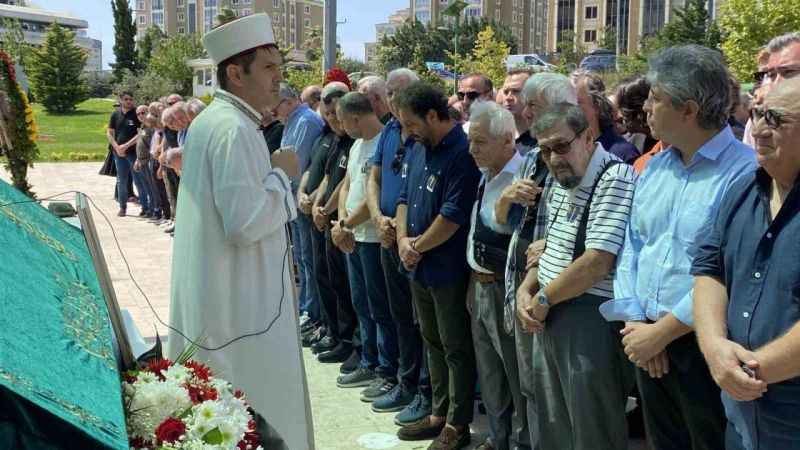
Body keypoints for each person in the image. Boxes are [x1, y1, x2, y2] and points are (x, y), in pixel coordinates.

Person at [166, 13, 313, 450]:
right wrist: (281, 175)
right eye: (268, 68)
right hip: (240, 306)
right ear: (235, 72)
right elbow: (245, 222)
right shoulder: (233, 129)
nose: (278, 80)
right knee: (249, 409)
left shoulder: (219, 122)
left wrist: (267, 177)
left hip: (228, 294)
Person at [612, 45, 757, 450]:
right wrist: (637, 324)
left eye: (656, 98)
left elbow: (726, 271)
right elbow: (632, 247)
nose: (647, 108)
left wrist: (662, 333)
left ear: (688, 110)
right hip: (643, 340)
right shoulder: (655, 167)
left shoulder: (744, 174)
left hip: (704, 347)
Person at [516, 103, 637, 450]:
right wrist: (528, 288)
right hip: (551, 309)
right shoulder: (561, 179)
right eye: (545, 149)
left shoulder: (614, 177)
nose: (553, 158)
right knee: (554, 421)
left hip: (589, 318)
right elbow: (549, 245)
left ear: (587, 136)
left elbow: (597, 261)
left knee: (591, 428)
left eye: (561, 146)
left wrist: (541, 299)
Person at [692, 76, 800, 450]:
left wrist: (745, 370)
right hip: (740, 417)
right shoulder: (742, 189)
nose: (759, 129)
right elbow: (709, 269)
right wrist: (714, 347)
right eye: (756, 114)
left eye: (775, 118)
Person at [394, 82, 481, 450]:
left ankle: (458, 424)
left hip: (447, 269)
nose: (406, 132)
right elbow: (402, 198)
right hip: (418, 266)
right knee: (431, 340)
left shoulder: (462, 153)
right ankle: (439, 410)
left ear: (433, 116)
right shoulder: (418, 147)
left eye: (411, 123)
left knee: (455, 346)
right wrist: (402, 241)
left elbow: (452, 216)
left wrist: (416, 246)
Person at [496, 72, 576, 449]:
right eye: (526, 105)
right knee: (529, 387)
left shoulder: (583, 162)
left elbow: (597, 239)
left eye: (534, 105)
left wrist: (556, 242)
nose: (526, 113)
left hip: (557, 298)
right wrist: (508, 196)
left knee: (556, 397)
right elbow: (501, 220)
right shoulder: (529, 157)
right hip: (521, 287)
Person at [365, 67, 433, 425]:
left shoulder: (419, 134)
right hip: (387, 236)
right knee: (398, 317)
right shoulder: (389, 130)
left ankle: (424, 389)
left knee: (421, 323)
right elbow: (374, 177)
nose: (392, 99)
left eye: (398, 92)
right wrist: (377, 218)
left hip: (413, 243)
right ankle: (403, 381)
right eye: (388, 92)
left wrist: (401, 231)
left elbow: (411, 190)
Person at [466, 101, 529, 450]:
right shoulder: (486, 173)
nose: (472, 149)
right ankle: (497, 437)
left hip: (506, 290)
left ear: (507, 140)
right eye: (471, 141)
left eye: (480, 142)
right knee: (489, 372)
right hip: (479, 287)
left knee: (515, 373)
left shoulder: (523, 179)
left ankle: (521, 441)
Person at [330, 92, 400, 404]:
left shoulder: (385, 141)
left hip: (373, 239)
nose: (341, 126)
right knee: (361, 303)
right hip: (354, 236)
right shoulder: (358, 144)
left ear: (356, 117)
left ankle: (386, 370)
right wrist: (341, 221)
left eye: (343, 120)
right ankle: (369, 360)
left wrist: (345, 225)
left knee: (380, 307)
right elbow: (347, 185)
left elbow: (378, 190)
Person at [311, 88, 359, 366]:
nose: (333, 120)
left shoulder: (353, 142)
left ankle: (351, 342)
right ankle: (337, 335)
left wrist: (328, 210)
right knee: (329, 280)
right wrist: (318, 205)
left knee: (349, 290)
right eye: (328, 115)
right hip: (329, 221)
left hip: (345, 224)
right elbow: (328, 177)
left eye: (337, 115)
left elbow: (347, 182)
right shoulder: (334, 140)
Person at [274, 82, 325, 327]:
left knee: (308, 258)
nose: (274, 111)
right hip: (293, 198)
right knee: (302, 257)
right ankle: (306, 306)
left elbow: (297, 163)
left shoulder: (305, 121)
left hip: (303, 198)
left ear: (290, 100)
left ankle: (312, 311)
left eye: (277, 105)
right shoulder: (293, 121)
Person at [573, 70, 640, 163]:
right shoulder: (568, 154)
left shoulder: (623, 155)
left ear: (597, 106)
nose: (568, 110)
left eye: (575, 103)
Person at [106, 91, 146, 217]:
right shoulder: (115, 114)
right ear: (121, 100)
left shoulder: (136, 114)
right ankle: (122, 207)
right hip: (118, 154)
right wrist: (117, 147)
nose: (129, 101)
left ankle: (145, 208)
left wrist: (126, 145)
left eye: (131, 99)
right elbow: (109, 132)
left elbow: (140, 133)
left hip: (133, 153)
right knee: (121, 181)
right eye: (126, 99)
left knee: (138, 180)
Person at [498, 69, 536, 155]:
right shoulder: (497, 138)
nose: (508, 97)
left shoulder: (543, 141)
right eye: (506, 92)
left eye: (516, 91)